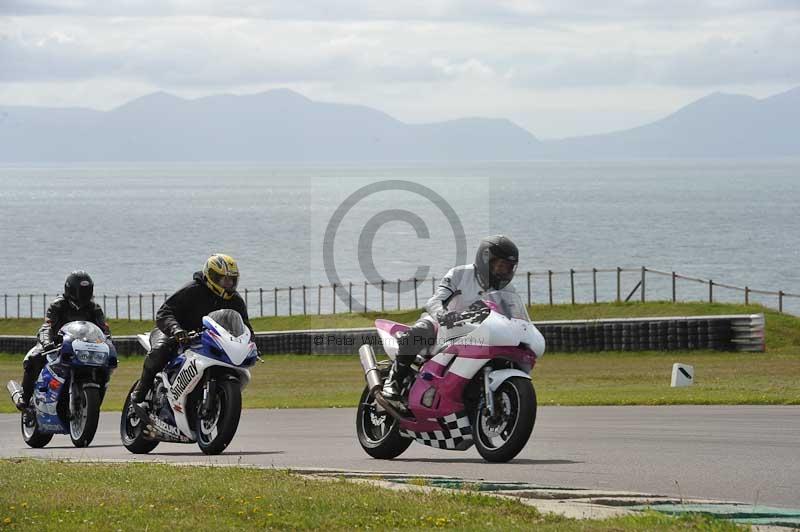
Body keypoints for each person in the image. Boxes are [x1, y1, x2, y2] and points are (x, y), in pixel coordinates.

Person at [381, 235, 520, 402]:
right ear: (486, 260)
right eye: (501, 266)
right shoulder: (459, 274)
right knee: (419, 331)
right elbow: (435, 301)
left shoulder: (509, 291)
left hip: (478, 332)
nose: (504, 272)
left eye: (509, 268)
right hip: (445, 324)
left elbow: (513, 317)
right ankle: (394, 380)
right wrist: (443, 315)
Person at [130, 254, 255, 415]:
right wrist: (176, 330)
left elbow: (246, 327)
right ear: (212, 276)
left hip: (208, 340)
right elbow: (164, 312)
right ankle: (140, 393)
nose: (229, 284)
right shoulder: (193, 290)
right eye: (224, 279)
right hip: (177, 334)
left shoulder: (236, 301)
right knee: (160, 350)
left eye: (232, 280)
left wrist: (251, 343)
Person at [16, 271, 110, 410]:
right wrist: (47, 343)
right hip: (56, 344)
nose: (83, 294)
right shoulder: (58, 305)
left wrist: (108, 344)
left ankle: (91, 403)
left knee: (105, 368)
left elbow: (104, 330)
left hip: (83, 347)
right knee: (34, 358)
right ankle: (25, 396)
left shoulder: (94, 308)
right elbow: (47, 327)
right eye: (80, 290)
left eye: (86, 290)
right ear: (70, 289)